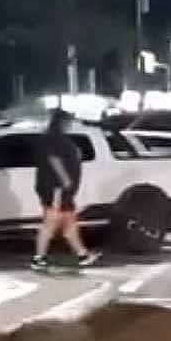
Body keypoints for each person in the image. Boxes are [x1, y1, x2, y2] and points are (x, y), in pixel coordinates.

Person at [31, 109, 100, 271]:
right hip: (56, 188)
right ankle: (38, 258)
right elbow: (53, 159)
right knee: (51, 222)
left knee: (69, 223)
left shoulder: (57, 138)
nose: (70, 125)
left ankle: (83, 254)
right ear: (61, 122)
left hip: (63, 190)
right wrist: (64, 179)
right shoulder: (52, 138)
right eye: (68, 122)